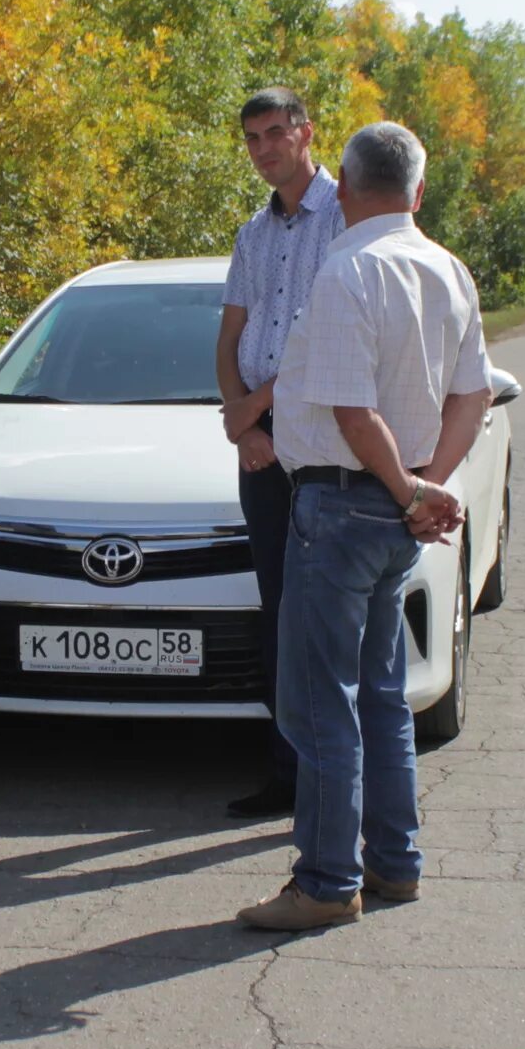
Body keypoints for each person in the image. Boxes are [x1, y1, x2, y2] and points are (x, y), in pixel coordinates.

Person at [239, 122, 493, 932]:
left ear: (343, 189)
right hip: (393, 513)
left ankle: (323, 882)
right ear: (418, 193)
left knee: (320, 705)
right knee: (382, 695)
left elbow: (353, 412)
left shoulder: (349, 270)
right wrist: (428, 487)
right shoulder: (448, 270)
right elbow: (473, 396)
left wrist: (412, 486)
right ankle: (393, 861)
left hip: (344, 506)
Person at [214, 86, 342, 821]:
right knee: (279, 613)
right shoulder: (251, 234)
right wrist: (242, 427)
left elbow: (332, 340)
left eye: (275, 133)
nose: (264, 149)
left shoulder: (347, 219)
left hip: (323, 445)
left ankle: (332, 782)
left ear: (305, 133)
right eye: (252, 138)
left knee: (322, 619)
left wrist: (253, 409)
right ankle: (285, 777)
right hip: (261, 453)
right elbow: (230, 338)